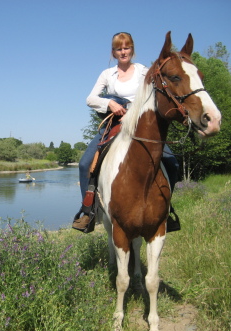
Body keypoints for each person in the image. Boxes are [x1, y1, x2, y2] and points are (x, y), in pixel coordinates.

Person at [72, 32, 181, 233]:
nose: (123, 52)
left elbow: (156, 95)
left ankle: (167, 208)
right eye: (119, 49)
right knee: (85, 164)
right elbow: (90, 99)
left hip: (142, 125)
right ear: (113, 52)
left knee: (172, 163)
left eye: (127, 47)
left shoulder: (143, 72)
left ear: (132, 49)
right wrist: (110, 103)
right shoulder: (107, 74)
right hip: (113, 124)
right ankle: (88, 212)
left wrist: (135, 112)